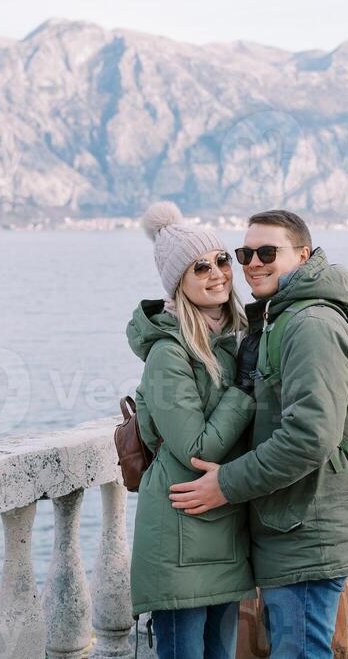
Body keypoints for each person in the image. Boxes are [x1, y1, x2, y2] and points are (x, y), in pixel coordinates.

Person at [169, 209, 348, 659]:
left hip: (307, 530)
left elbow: (310, 437)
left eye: (267, 252)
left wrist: (226, 484)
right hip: (293, 524)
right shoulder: (282, 318)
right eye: (244, 253)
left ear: (303, 255)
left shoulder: (310, 325)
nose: (252, 263)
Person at [127, 201, 257, 659]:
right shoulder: (169, 353)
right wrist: (243, 387)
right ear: (177, 282)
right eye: (200, 266)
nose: (218, 272)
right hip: (181, 535)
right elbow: (196, 447)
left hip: (224, 525)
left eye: (223, 259)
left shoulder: (240, 336)